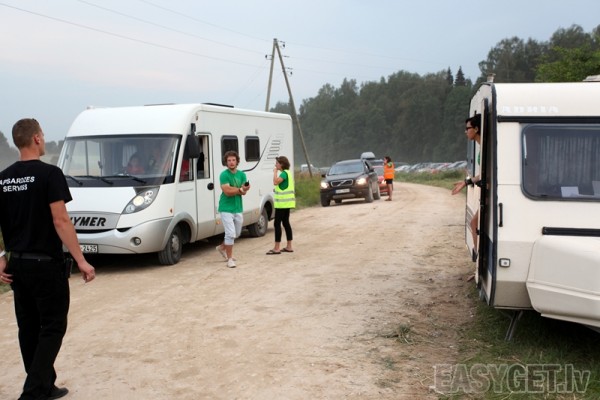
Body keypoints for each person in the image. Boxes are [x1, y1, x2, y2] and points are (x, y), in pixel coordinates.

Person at [0, 118, 96, 400]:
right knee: (54, 325)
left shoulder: (3, 178)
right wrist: (81, 260)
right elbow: (61, 220)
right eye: (42, 134)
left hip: (17, 264)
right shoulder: (50, 174)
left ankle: (45, 385)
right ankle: (32, 392)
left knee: (28, 327)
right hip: (45, 264)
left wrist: (2, 256)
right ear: (37, 139)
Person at [452, 114, 482, 261]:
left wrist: (467, 181)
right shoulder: (482, 148)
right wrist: (467, 181)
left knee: (474, 222)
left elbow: (485, 175)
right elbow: (483, 174)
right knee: (474, 222)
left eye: (467, 128)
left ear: (476, 129)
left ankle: (478, 259)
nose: (465, 131)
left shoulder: (486, 149)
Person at [215, 151, 250, 268]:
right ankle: (230, 259)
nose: (231, 162)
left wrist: (245, 189)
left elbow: (243, 192)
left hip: (238, 207)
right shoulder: (224, 175)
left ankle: (222, 247)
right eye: (229, 160)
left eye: (233, 160)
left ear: (237, 161)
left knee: (236, 233)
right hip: (226, 208)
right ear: (226, 162)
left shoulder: (242, 175)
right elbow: (227, 191)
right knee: (230, 233)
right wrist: (240, 190)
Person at [266, 156, 295, 255]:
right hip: (287, 203)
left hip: (282, 204)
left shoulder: (283, 173)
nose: (276, 165)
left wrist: (275, 172)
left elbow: (275, 182)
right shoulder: (288, 173)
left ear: (282, 164)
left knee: (277, 224)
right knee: (286, 223)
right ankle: (289, 246)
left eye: (277, 163)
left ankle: (277, 248)